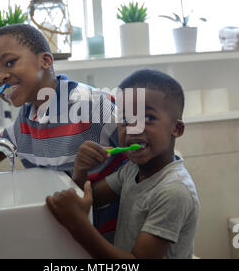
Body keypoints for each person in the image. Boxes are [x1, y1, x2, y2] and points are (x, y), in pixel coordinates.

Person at [0, 24, 126, 242]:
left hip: (108, 235)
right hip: (69, 234)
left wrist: (91, 195)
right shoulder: (25, 117)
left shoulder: (91, 104)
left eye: (10, 63)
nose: (0, 78)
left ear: (46, 61)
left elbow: (142, 153)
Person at [46, 69, 200, 258]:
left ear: (176, 128)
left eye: (148, 118)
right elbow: (90, 199)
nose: (133, 129)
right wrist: (80, 170)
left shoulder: (174, 191)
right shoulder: (131, 170)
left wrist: (78, 225)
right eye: (125, 119)